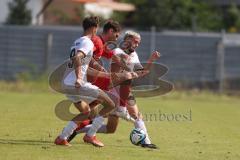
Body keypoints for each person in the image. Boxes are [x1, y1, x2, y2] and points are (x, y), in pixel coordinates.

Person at [68, 30, 160, 149]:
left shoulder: (134, 55)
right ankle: (145, 142)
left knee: (111, 129)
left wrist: (151, 59)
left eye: (139, 43)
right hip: (114, 91)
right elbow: (118, 74)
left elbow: (142, 72)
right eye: (135, 42)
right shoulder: (118, 52)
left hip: (125, 91)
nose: (137, 45)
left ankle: (78, 130)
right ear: (127, 41)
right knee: (135, 116)